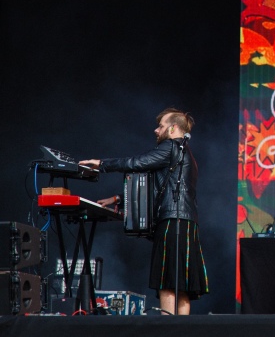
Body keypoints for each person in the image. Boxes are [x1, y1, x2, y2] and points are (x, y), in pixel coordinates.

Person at [79, 108, 209, 315]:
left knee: (167, 283)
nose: (156, 130)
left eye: (161, 126)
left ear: (173, 128)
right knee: (182, 285)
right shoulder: (188, 155)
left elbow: (138, 163)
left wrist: (102, 164)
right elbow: (158, 186)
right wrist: (119, 199)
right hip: (187, 221)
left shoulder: (171, 146)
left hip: (171, 221)